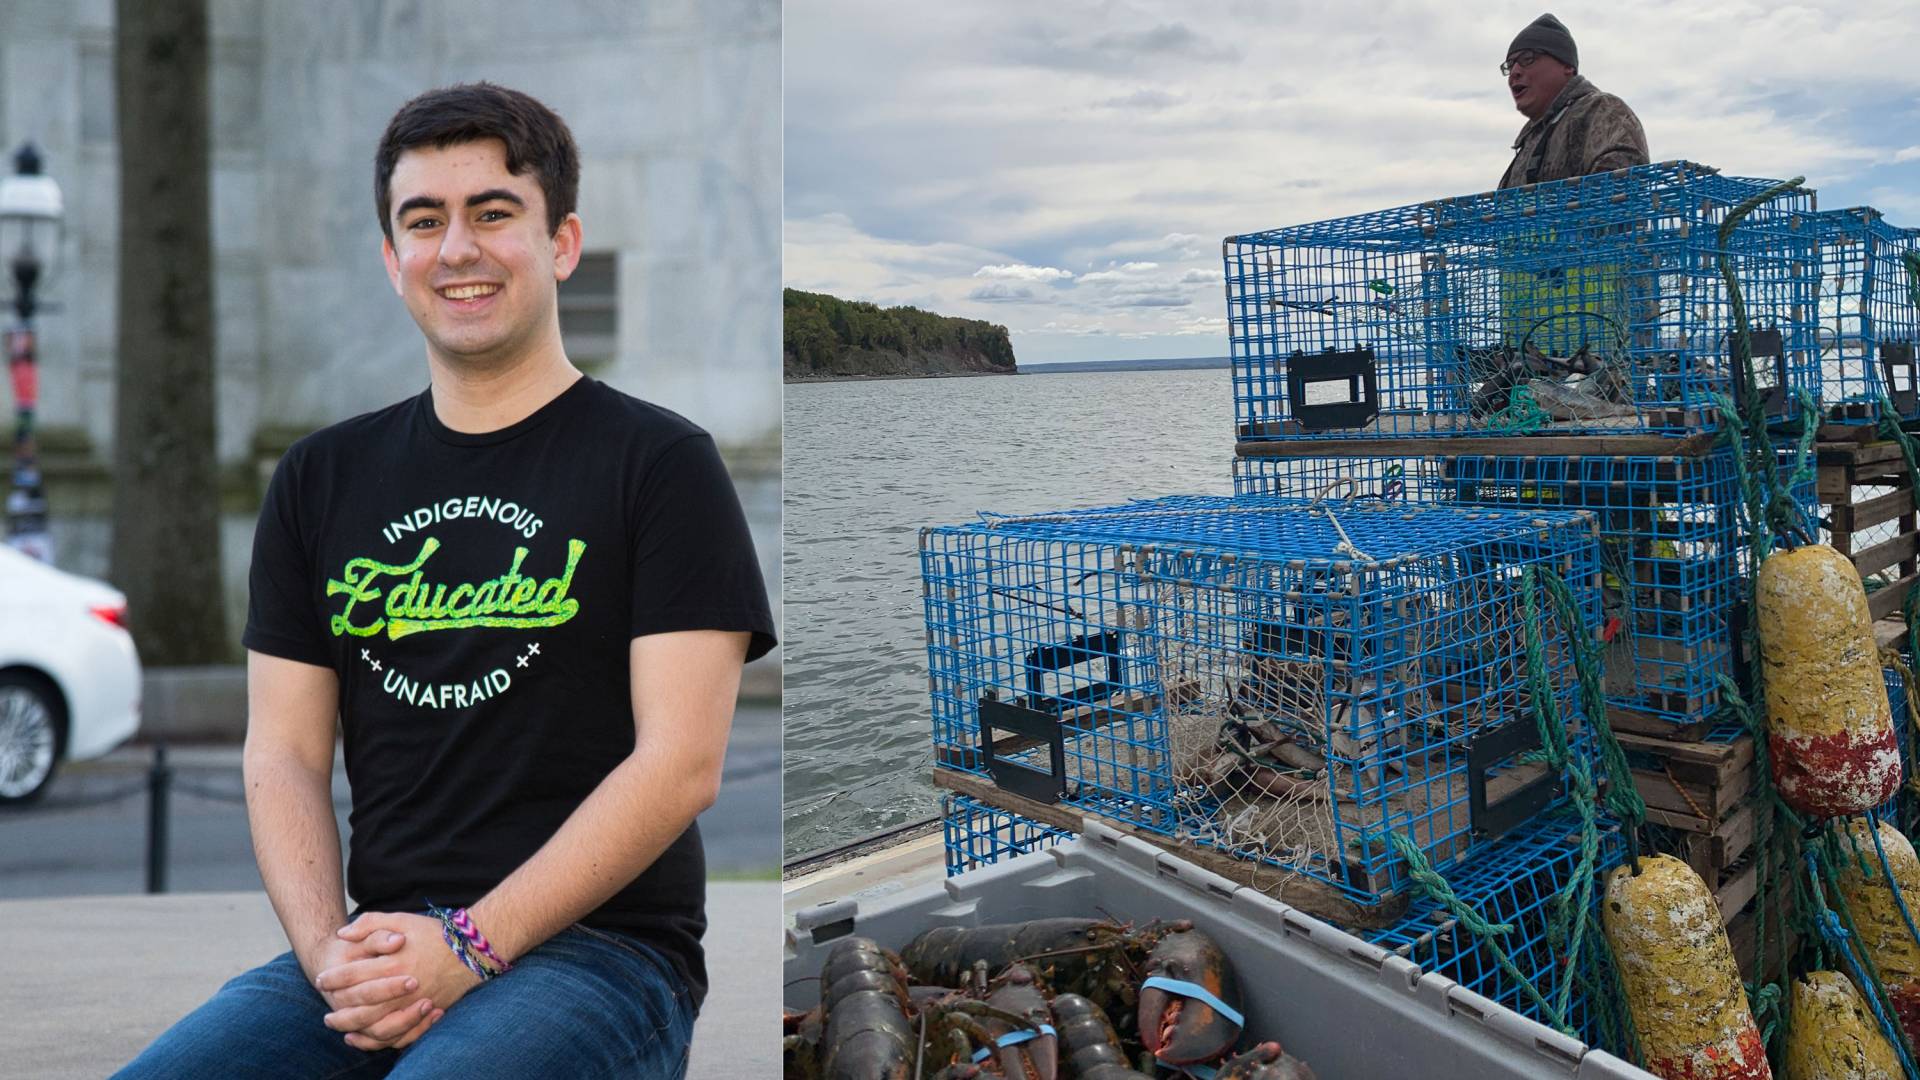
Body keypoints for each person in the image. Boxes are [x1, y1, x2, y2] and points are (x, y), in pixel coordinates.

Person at [112, 82, 775, 1078]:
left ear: (561, 243)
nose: (456, 248)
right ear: (393, 260)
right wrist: (330, 957)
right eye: (424, 222)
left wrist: (468, 948)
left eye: (493, 213)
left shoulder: (661, 463)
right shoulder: (320, 479)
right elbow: (282, 751)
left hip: (600, 960)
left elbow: (681, 764)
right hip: (380, 945)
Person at [1497, 13, 1648, 189]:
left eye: (1527, 59)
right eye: (1510, 64)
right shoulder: (1528, 140)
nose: (1514, 72)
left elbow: (1621, 195)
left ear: (1567, 66)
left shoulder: (1603, 110)